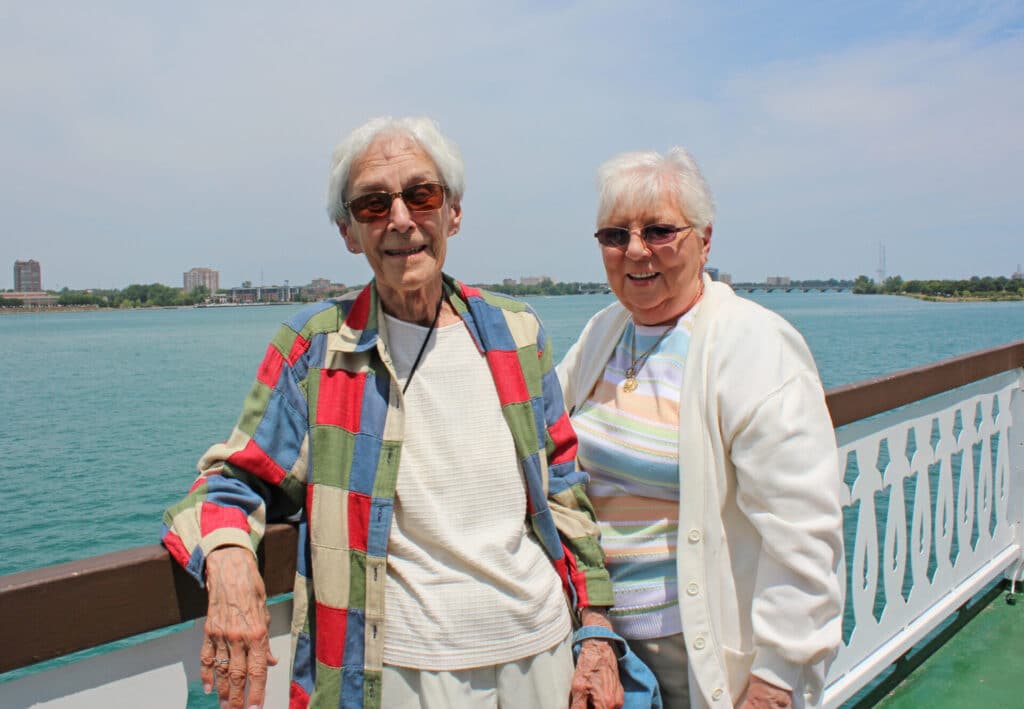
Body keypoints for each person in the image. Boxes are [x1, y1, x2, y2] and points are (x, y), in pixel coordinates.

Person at [162, 116, 623, 709]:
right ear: (349, 232)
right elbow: (231, 482)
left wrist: (597, 631)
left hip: (542, 654)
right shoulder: (318, 348)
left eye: (421, 194)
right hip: (398, 671)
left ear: (453, 212)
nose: (401, 219)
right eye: (374, 205)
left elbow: (563, 487)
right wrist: (226, 560)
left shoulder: (517, 331)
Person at [556, 147, 844, 709]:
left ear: (704, 240)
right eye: (615, 235)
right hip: (598, 642)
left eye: (659, 230)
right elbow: (547, 443)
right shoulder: (605, 330)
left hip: (693, 654)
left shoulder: (754, 345)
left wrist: (777, 679)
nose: (636, 250)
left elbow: (803, 531)